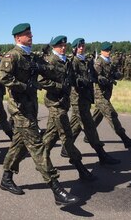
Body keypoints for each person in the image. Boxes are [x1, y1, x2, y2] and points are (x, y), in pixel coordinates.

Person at [0, 23, 79, 206]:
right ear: (18, 38)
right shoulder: (13, 56)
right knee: (37, 146)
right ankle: (56, 189)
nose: (31, 36)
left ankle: (6, 178)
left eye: (30, 33)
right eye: (27, 34)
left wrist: (63, 67)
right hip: (20, 110)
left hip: (30, 109)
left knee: (19, 145)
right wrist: (24, 86)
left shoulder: (31, 57)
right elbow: (1, 76)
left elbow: (48, 69)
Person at [38, 35, 95, 181]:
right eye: (60, 46)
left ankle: (38, 157)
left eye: (65, 45)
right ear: (54, 47)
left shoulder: (66, 61)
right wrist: (58, 86)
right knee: (67, 136)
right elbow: (41, 80)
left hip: (64, 101)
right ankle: (80, 168)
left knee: (51, 135)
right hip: (55, 103)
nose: (63, 48)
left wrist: (77, 81)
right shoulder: (51, 60)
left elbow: (69, 78)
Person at [68, 38, 121, 165]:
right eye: (79, 46)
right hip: (77, 98)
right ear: (74, 48)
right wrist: (78, 81)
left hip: (85, 98)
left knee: (68, 129)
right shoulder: (73, 61)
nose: (81, 48)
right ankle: (101, 155)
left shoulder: (86, 60)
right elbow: (70, 78)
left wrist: (100, 78)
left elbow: (93, 75)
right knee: (89, 127)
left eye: (82, 46)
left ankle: (59, 148)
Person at [91, 42, 131, 148]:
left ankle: (89, 134)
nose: (108, 52)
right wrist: (101, 79)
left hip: (107, 94)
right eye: (106, 50)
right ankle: (125, 139)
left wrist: (117, 75)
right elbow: (95, 77)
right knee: (112, 115)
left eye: (109, 50)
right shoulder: (99, 62)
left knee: (96, 118)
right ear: (102, 51)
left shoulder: (109, 62)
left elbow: (114, 73)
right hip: (100, 95)